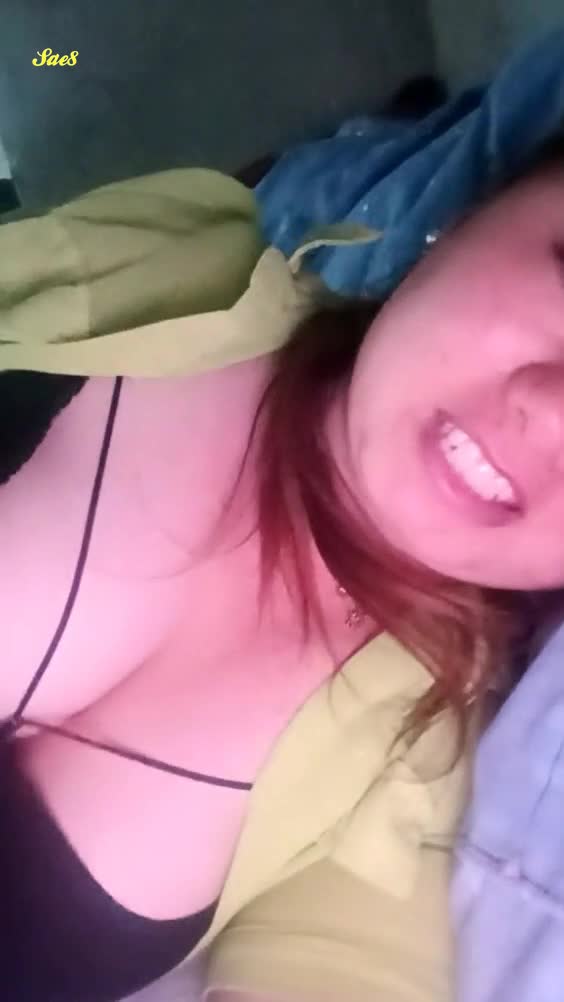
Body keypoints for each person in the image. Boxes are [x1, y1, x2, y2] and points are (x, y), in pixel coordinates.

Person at [2, 135, 564, 1002]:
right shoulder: (173, 270)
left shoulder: (416, 749)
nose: (552, 413)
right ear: (473, 217)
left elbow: (346, 972)